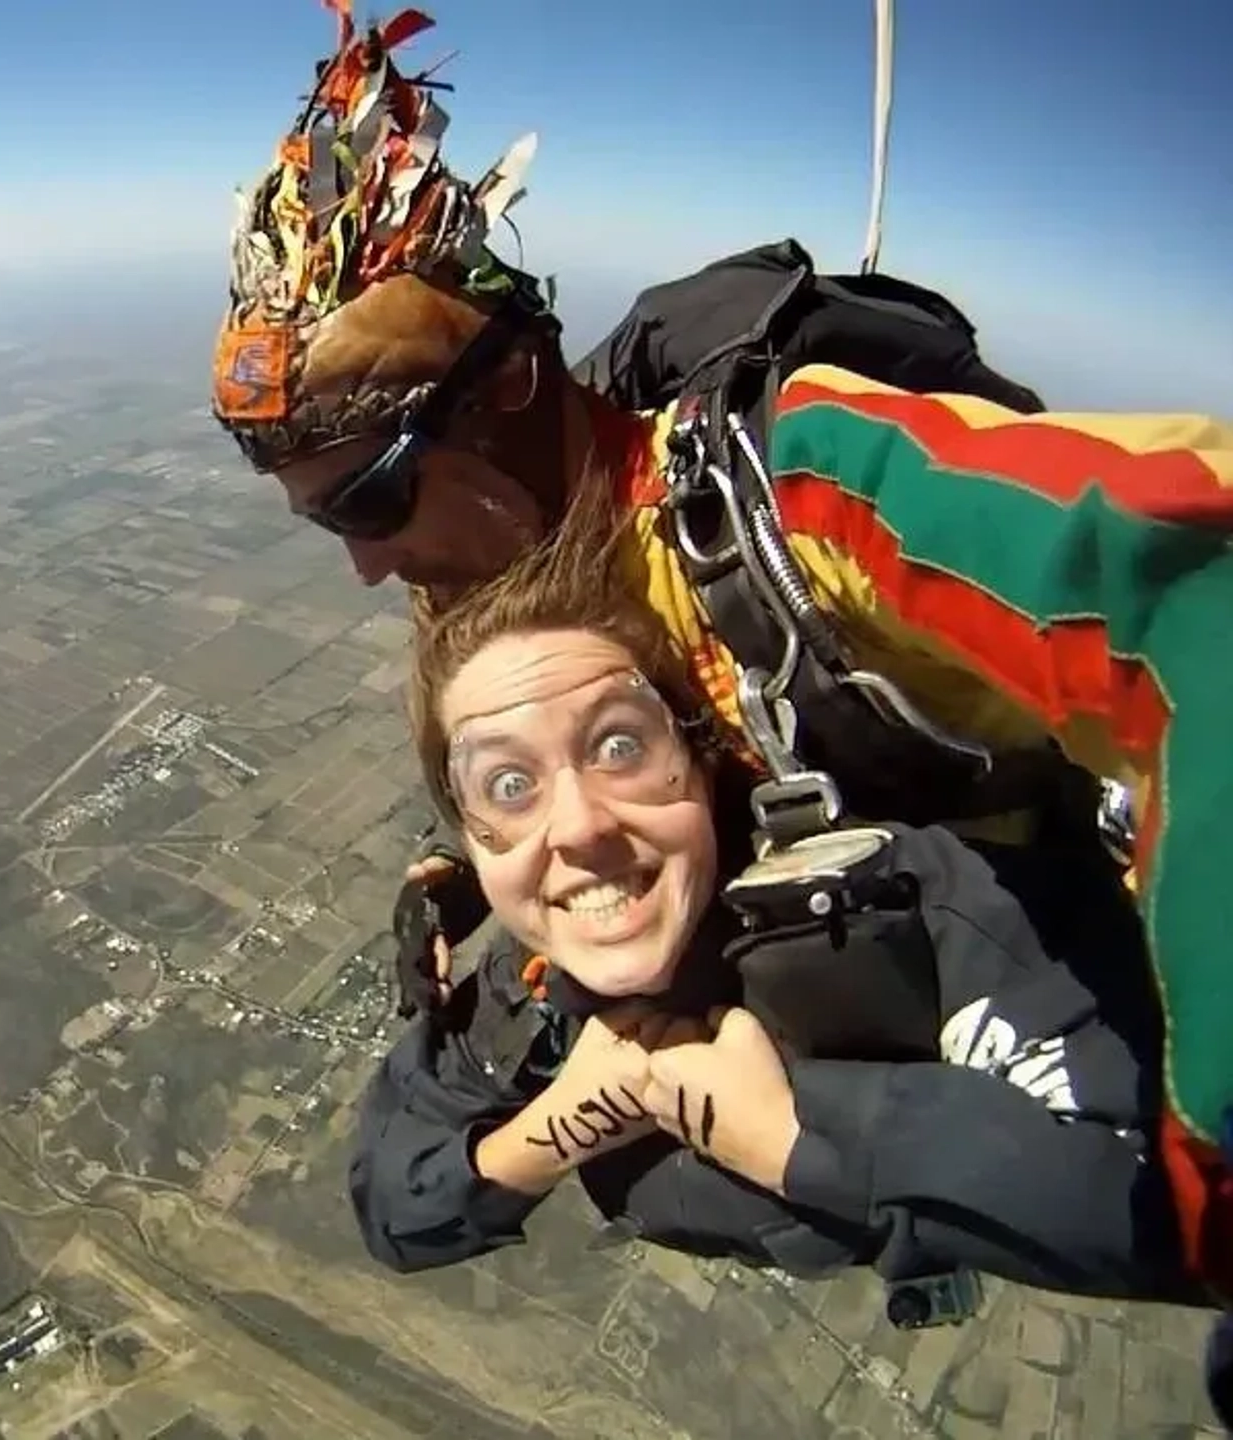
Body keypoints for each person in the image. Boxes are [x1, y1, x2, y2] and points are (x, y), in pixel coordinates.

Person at [210, 0, 1233, 1295]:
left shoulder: (799, 486)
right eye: (326, 524)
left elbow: (1199, 591)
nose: (364, 561)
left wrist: (1215, 1186)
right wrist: (465, 891)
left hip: (1017, 979)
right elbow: (407, 1194)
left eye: (373, 499)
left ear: (508, 391)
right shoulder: (481, 588)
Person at [348, 479, 1202, 1308]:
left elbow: (1174, 1199)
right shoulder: (527, 1007)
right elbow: (394, 1208)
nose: (576, 827)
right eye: (506, 787)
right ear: (467, 843)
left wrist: (800, 1136)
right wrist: (563, 1124)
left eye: (618, 746)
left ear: (698, 758)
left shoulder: (889, 914)